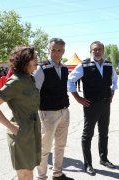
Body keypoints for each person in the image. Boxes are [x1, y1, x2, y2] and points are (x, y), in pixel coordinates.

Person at [0, 46, 41, 180]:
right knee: (24, 173)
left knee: (29, 169)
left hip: (33, 129)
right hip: (21, 131)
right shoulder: (15, 81)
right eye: (34, 58)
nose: (37, 60)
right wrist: (11, 127)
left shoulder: (30, 78)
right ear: (25, 60)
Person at [67, 41, 118, 176]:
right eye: (95, 49)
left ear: (103, 50)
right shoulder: (84, 65)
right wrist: (78, 98)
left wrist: (112, 91)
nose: (97, 51)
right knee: (87, 135)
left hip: (106, 104)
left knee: (104, 133)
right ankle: (88, 164)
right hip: (91, 105)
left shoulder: (108, 64)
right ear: (91, 51)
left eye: (100, 49)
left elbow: (114, 79)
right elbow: (70, 80)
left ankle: (104, 159)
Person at [34, 38, 73, 180]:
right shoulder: (41, 68)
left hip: (64, 112)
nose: (56, 53)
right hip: (48, 113)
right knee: (44, 149)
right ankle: (42, 177)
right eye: (53, 50)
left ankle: (57, 173)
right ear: (48, 50)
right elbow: (34, 92)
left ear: (63, 51)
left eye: (59, 50)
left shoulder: (64, 68)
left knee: (60, 146)